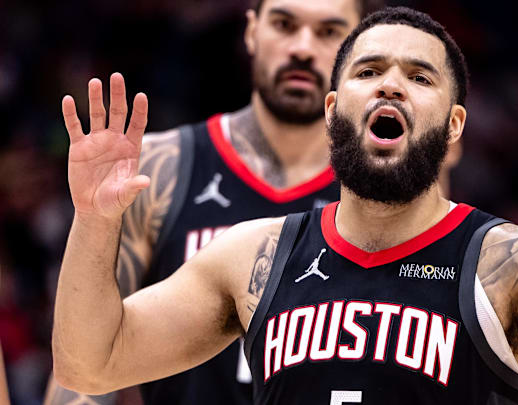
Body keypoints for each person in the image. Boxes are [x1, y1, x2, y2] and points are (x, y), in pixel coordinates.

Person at [52, 7, 518, 404]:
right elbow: (91, 360)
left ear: (455, 125)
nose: (391, 84)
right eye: (369, 71)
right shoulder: (253, 254)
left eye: (419, 76)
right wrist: (96, 220)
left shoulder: (513, 259)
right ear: (334, 109)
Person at [44, 1, 382, 404]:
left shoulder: (384, 190)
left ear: (360, 50)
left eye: (328, 32)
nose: (302, 48)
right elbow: (86, 367)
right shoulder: (158, 168)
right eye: (284, 24)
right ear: (252, 31)